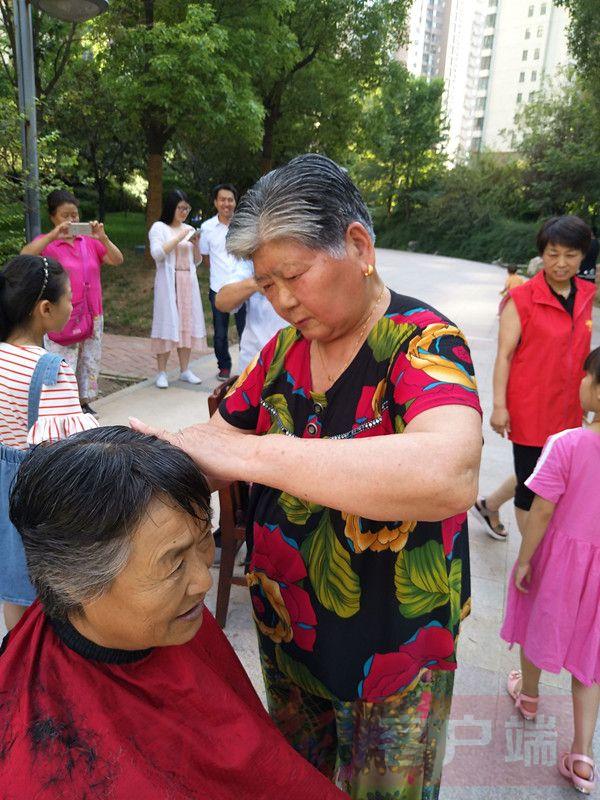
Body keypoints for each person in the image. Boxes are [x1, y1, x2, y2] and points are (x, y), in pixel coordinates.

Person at [132, 154, 483, 799]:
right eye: (266, 285)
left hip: (394, 647)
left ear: (358, 246)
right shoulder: (284, 350)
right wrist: (138, 458)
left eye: (293, 276)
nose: (283, 301)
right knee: (295, 781)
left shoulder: (422, 342)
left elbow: (449, 471)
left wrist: (258, 454)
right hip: (289, 627)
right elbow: (216, 441)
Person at [0, 427, 346, 800]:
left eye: (204, 540)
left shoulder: (172, 618)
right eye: (174, 564)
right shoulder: (49, 774)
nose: (203, 581)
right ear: (75, 583)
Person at [500, 347, 600, 795]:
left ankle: (529, 695)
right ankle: (582, 756)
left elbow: (541, 510)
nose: (582, 382)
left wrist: (525, 559)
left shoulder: (567, 443)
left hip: (560, 560)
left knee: (536, 622)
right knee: (592, 660)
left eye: (587, 376)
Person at [479, 215, 596, 538]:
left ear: (583, 256)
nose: (561, 263)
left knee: (545, 469)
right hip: (530, 407)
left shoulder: (586, 294)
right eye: (553, 254)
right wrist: (499, 406)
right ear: (542, 254)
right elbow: (504, 355)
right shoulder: (522, 299)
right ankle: (533, 559)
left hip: (568, 408)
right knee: (532, 489)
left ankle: (489, 505)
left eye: (571, 255)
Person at [0, 255, 98, 631]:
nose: (72, 305)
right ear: (45, 308)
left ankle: (14, 657)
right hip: (35, 493)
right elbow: (67, 452)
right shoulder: (50, 371)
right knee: (47, 593)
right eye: (69, 297)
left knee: (14, 591)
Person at [21, 189, 124, 414]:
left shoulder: (88, 241)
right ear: (53, 217)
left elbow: (117, 259)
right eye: (64, 215)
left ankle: (82, 403)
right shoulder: (47, 244)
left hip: (92, 311)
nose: (71, 220)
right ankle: (61, 404)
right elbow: (25, 256)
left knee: (88, 360)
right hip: (61, 314)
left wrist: (102, 238)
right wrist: (53, 235)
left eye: (74, 215)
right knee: (62, 361)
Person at [149, 189, 207, 389]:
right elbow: (157, 253)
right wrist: (179, 237)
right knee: (166, 323)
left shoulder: (189, 228)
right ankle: (161, 372)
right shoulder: (159, 228)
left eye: (186, 208)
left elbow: (197, 261)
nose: (184, 212)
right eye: (180, 208)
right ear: (171, 207)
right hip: (168, 282)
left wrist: (195, 244)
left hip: (187, 281)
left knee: (186, 323)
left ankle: (184, 369)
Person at [200, 183, 248, 380]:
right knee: (220, 333)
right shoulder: (207, 228)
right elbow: (205, 257)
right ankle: (224, 366)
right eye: (222, 199)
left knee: (246, 330)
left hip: (243, 288)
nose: (226, 203)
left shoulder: (244, 225)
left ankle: (248, 367)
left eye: (230, 200)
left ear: (235, 202)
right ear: (215, 202)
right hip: (218, 288)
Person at [215, 271, 287, 372]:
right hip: (255, 363)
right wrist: (257, 281)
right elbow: (222, 302)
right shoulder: (250, 265)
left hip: (298, 362)